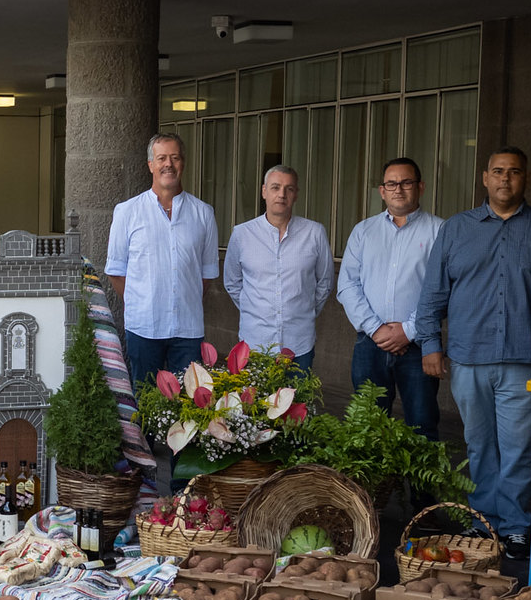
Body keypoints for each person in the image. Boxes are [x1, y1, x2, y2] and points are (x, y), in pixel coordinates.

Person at [415, 147, 531, 559]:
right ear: (484, 178)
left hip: (525, 359)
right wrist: (431, 345)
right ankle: (482, 521)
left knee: (519, 447)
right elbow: (432, 293)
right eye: (498, 172)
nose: (506, 179)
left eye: (514, 172)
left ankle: (517, 526)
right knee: (480, 444)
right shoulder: (456, 229)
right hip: (469, 357)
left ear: (526, 178)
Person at [338, 157, 445, 439]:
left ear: (420, 187)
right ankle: (374, 486)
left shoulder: (440, 232)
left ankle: (420, 486)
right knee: (367, 426)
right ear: (382, 190)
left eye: (406, 182)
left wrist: (407, 330)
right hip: (369, 343)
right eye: (391, 183)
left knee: (422, 426)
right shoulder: (363, 232)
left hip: (418, 345)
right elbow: (347, 285)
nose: (399, 189)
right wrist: (377, 329)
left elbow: (445, 290)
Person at [106, 133, 219, 390]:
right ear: (151, 165)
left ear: (183, 163)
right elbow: (116, 272)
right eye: (162, 158)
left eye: (175, 157)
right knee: (145, 401)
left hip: (188, 330)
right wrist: (141, 301)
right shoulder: (127, 212)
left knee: (190, 405)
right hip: (144, 327)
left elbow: (207, 274)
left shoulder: (204, 213)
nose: (168, 164)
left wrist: (183, 299)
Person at [222, 164, 333, 368]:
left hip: (299, 344)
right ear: (264, 191)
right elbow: (232, 283)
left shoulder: (315, 233)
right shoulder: (242, 234)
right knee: (252, 400)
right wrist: (256, 310)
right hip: (254, 344)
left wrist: (302, 311)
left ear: (296, 194)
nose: (281, 194)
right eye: (275, 187)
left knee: (298, 399)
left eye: (289, 189)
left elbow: (325, 282)